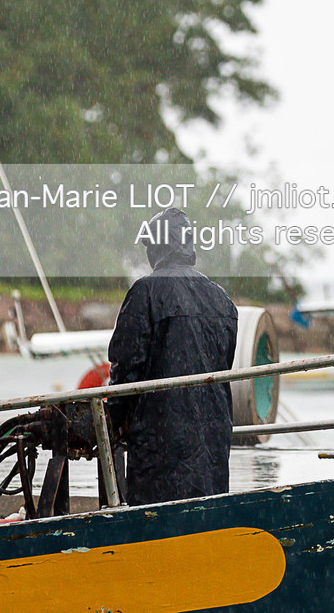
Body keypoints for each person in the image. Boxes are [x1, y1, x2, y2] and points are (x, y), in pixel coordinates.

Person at [108, 207, 238, 505]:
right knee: (206, 522)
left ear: (160, 246)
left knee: (157, 526)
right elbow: (222, 366)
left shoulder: (146, 292)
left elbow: (126, 367)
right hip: (213, 443)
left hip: (161, 444)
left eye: (150, 246)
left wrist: (114, 418)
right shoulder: (222, 299)